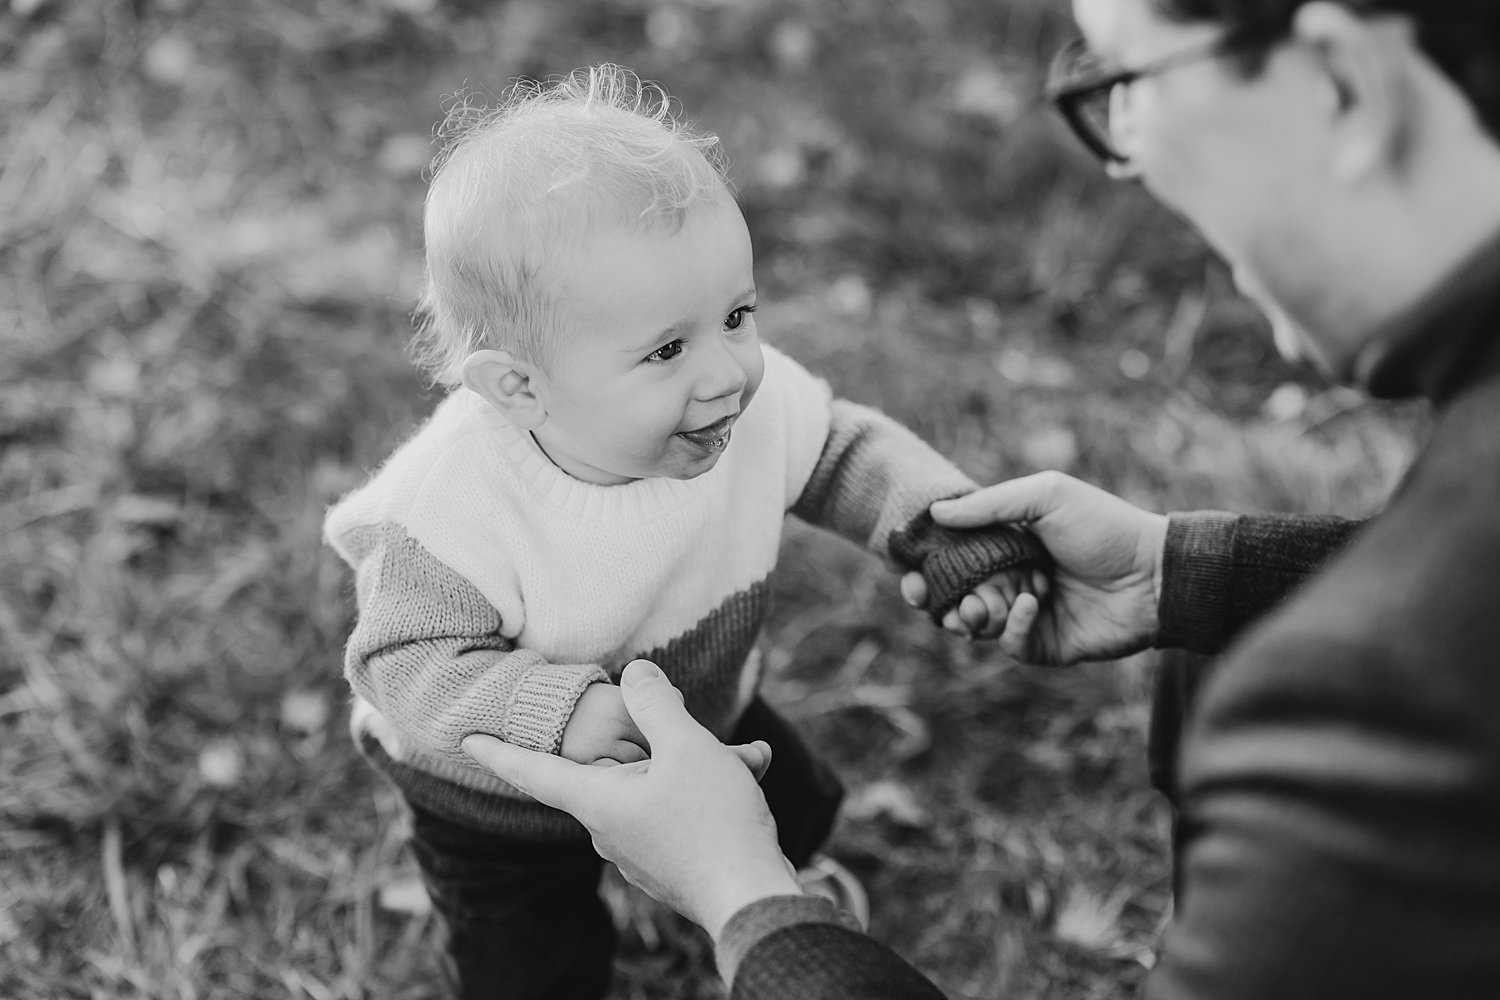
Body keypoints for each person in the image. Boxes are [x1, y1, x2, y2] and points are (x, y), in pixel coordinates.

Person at [464, 1, 1500, 997]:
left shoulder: (1377, 701)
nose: (1127, 156)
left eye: (1126, 83)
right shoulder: (457, 503)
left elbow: (837, 453)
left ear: (1343, 82)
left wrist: (748, 900)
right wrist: (1193, 573)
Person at [322, 64, 1043, 1000]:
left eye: (737, 315)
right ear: (520, 388)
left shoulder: (741, 403)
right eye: (666, 349)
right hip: (502, 800)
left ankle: (775, 903)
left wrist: (940, 531)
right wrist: (563, 716)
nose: (728, 374)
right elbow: (406, 660)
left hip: (704, 713)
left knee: (791, 804)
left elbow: (840, 452)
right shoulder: (449, 512)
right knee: (527, 959)